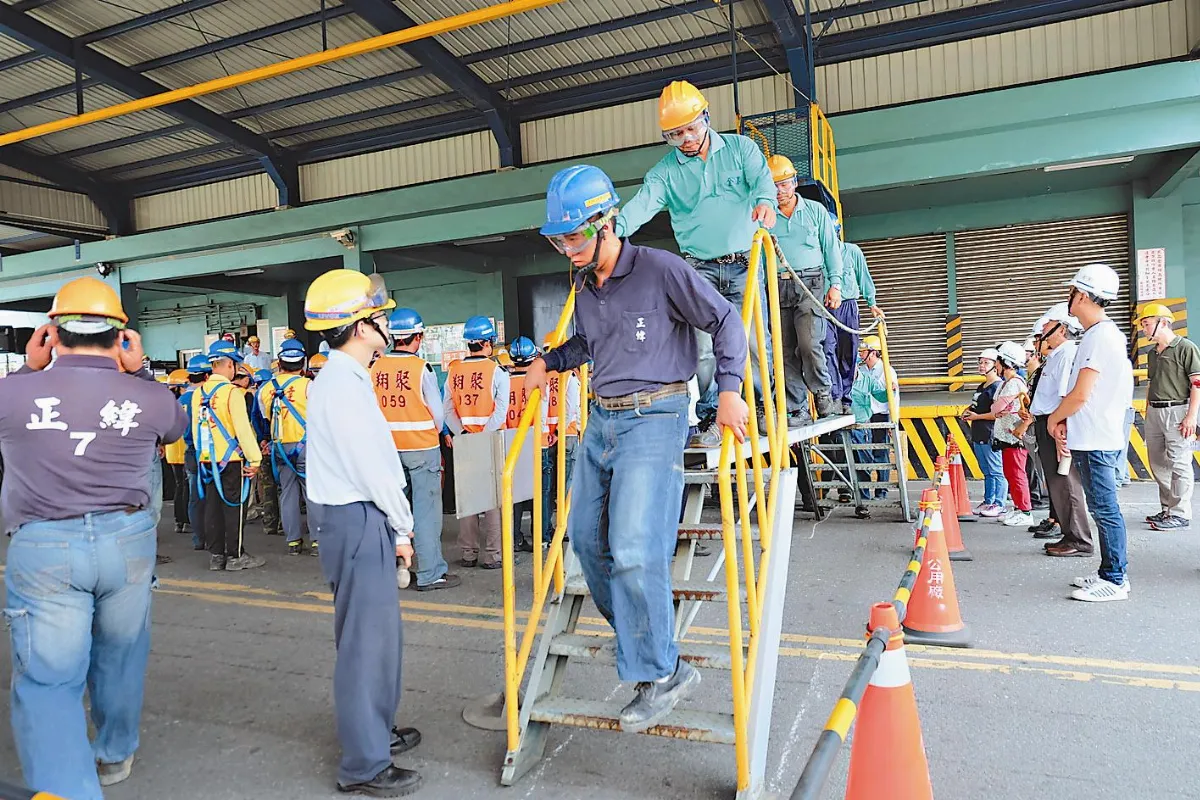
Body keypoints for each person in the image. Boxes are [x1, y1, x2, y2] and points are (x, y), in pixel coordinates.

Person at [525, 164, 749, 732]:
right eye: (559, 239)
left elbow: (726, 320)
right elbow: (589, 342)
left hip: (657, 415)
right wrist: (548, 362)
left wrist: (729, 392)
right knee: (586, 542)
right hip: (601, 420)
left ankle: (662, 670)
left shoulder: (661, 270)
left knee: (632, 548)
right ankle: (647, 641)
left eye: (574, 236)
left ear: (606, 223)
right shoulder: (584, 282)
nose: (567, 248)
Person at [0, 277, 188, 799]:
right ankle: (114, 753)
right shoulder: (148, 397)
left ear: (51, 334)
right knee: (122, 651)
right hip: (128, 541)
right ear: (121, 336)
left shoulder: (12, 393)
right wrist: (142, 370)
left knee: (50, 680)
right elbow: (175, 428)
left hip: (44, 546)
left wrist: (27, 369)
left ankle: (68, 789)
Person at [303, 269, 423, 796]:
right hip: (357, 516)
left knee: (378, 639)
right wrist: (403, 525)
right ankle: (364, 764)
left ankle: (377, 731)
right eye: (378, 316)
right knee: (364, 644)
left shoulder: (347, 378)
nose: (385, 323)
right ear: (357, 327)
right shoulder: (342, 387)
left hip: (355, 516)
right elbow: (372, 469)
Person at [614, 80, 775, 446]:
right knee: (703, 348)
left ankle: (763, 407)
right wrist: (613, 232)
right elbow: (642, 204)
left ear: (706, 117)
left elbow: (762, 180)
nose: (685, 138)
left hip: (744, 264)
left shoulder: (740, 149)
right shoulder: (665, 173)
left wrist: (765, 200)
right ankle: (711, 418)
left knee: (753, 340)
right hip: (698, 270)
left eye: (691, 128)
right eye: (675, 134)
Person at [1048, 263, 1134, 602]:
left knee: (1105, 509)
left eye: (1071, 292)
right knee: (1101, 508)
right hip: (1092, 436)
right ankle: (1106, 572)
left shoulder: (1101, 337)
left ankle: (1115, 579)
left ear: (1081, 294)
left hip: (1098, 439)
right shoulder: (1099, 335)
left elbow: (1082, 393)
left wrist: (1056, 418)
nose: (1068, 298)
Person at [371, 308, 459, 590]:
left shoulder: (376, 367)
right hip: (421, 448)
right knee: (426, 510)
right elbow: (437, 413)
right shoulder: (421, 369)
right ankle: (430, 572)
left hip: (386, 450)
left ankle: (390, 569)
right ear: (418, 337)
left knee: (390, 509)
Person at [766, 154, 842, 424]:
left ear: (794, 182)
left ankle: (823, 395)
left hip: (811, 282)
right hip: (776, 285)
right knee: (784, 350)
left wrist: (835, 284)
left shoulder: (815, 211)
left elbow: (832, 249)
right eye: (773, 185)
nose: (779, 191)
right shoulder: (763, 216)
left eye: (784, 184)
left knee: (809, 343)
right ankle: (796, 409)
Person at [1023, 304, 1093, 557]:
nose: (1041, 331)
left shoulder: (1066, 356)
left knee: (1065, 482)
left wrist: (1060, 426)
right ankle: (1069, 534)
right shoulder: (1056, 357)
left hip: (1056, 424)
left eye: (1046, 326)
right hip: (1047, 422)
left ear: (1061, 329)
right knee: (1056, 482)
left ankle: (1080, 540)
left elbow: (1066, 396)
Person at [443, 315, 511, 569]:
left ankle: (468, 553)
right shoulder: (497, 372)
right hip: (490, 440)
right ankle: (492, 555)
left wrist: (463, 434)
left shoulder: (454, 371)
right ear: (488, 343)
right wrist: (483, 434)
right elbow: (501, 412)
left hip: (464, 442)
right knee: (492, 501)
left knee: (468, 499)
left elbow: (447, 410)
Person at [193, 340, 265, 571]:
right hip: (231, 461)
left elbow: (196, 430)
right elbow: (242, 429)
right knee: (234, 507)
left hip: (208, 460)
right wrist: (255, 460)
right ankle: (235, 555)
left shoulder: (198, 394)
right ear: (231, 365)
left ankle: (216, 556)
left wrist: (202, 456)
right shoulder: (232, 393)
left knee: (212, 507)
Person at [1138, 303, 1200, 530]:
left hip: (1178, 411)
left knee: (1179, 462)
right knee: (1158, 463)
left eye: (1147, 324)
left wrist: (1191, 417)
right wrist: (1147, 410)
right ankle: (1167, 509)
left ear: (1163, 322)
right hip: (1155, 411)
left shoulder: (1186, 348)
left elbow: (1197, 384)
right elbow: (1151, 384)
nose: (1144, 329)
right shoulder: (1153, 354)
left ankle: (1180, 513)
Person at [260, 339, 315, 555]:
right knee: (311, 492)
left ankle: (293, 541)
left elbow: (263, 418)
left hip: (280, 447)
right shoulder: (309, 386)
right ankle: (317, 539)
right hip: (306, 445)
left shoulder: (266, 389)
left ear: (279, 363)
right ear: (303, 363)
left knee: (288, 492)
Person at [828, 231, 884, 411]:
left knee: (848, 353)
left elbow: (864, 276)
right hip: (825, 307)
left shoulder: (852, 252)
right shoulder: (819, 253)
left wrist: (872, 304)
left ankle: (845, 398)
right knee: (827, 350)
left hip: (847, 306)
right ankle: (833, 396)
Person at [848, 335, 898, 515]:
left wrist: (894, 420)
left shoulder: (886, 371)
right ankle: (864, 493)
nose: (861, 354)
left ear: (873, 352)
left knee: (880, 453)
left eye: (863, 351)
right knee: (862, 455)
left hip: (881, 416)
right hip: (864, 417)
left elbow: (891, 397)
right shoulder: (863, 371)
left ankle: (881, 490)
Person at [540, 341, 583, 546]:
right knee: (567, 483)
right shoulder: (570, 376)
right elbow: (572, 408)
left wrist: (550, 431)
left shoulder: (545, 374)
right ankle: (565, 526)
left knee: (547, 487)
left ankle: (545, 529)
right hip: (567, 435)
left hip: (547, 436)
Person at [991, 341, 1033, 528]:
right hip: (1007, 435)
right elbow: (997, 409)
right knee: (1011, 473)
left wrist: (999, 409)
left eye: (997, 361)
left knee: (1016, 474)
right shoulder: (1008, 383)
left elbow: (997, 407)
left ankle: (1025, 511)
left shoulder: (1013, 384)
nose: (995, 365)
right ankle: (1018, 507)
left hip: (1015, 436)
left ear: (1004, 362)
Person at [962, 348, 1007, 518]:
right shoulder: (982, 385)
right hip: (978, 432)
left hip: (990, 433)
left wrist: (977, 416)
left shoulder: (997, 386)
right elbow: (975, 404)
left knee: (996, 470)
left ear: (995, 365)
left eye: (986, 362)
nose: (981, 365)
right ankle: (988, 501)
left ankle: (999, 503)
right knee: (987, 471)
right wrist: (968, 411)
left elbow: (997, 413)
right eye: (980, 362)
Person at [506, 335, 539, 553]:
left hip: (508, 440)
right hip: (531, 439)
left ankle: (515, 537)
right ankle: (538, 536)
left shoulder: (503, 380)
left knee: (514, 495)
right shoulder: (534, 384)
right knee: (536, 491)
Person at [181, 354, 210, 551]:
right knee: (211, 497)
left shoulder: (180, 399)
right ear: (207, 376)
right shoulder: (204, 397)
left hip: (189, 451)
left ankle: (199, 538)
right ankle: (213, 537)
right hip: (207, 450)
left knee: (195, 497)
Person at [165, 368, 192, 534]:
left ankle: (179, 521)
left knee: (179, 485)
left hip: (172, 449)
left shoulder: (168, 404)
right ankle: (187, 519)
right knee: (187, 486)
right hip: (185, 447)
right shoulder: (190, 400)